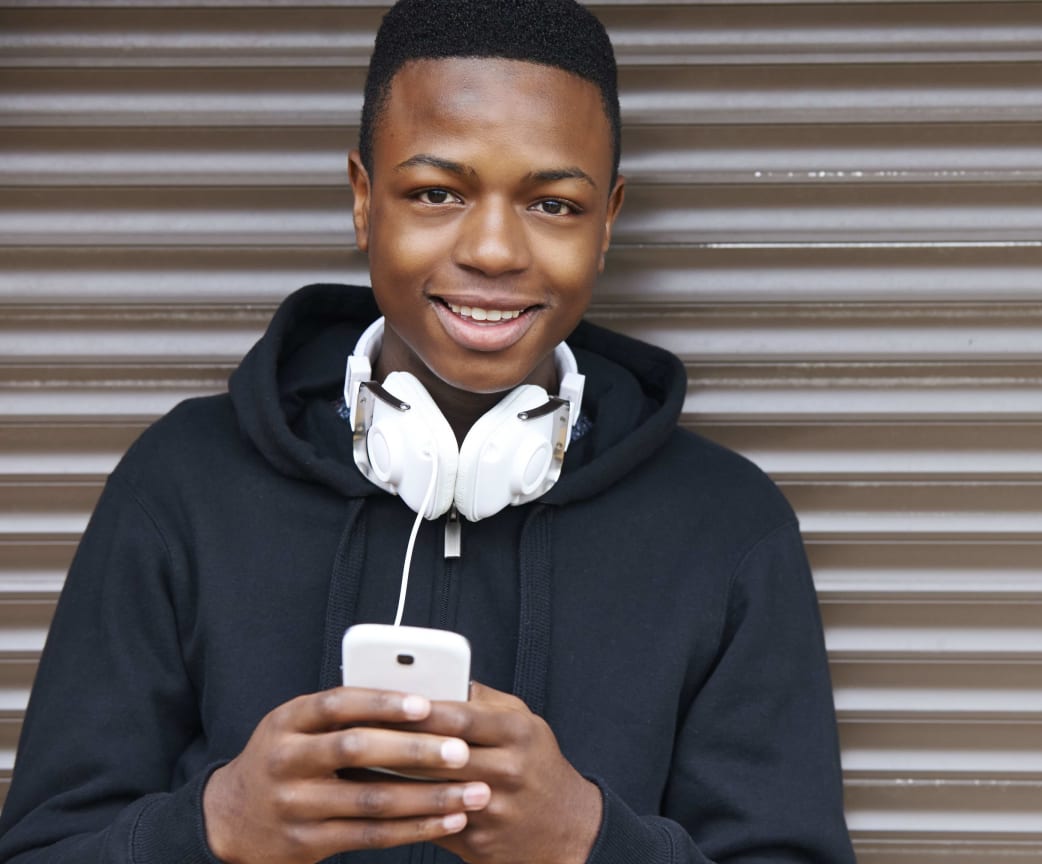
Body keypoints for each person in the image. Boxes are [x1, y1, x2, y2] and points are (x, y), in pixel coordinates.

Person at [0, 0, 855, 861]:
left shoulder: (728, 526)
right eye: (436, 192)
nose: (492, 249)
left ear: (608, 223)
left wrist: (588, 841)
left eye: (553, 204)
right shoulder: (182, 482)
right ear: (365, 200)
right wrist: (213, 828)